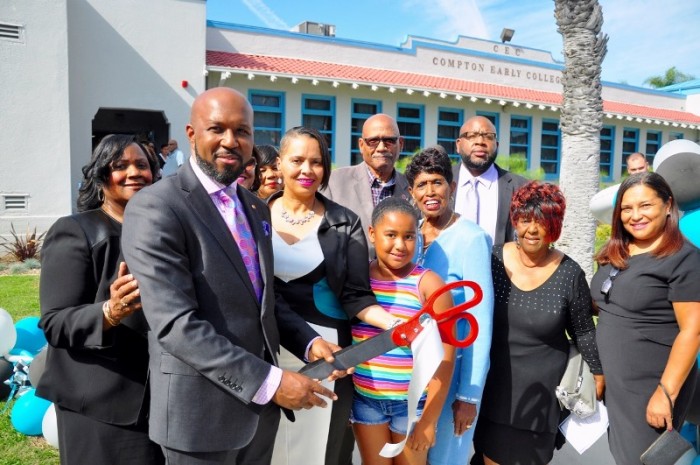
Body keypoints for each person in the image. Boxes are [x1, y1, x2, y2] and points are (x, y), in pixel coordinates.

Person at [121, 87, 346, 465]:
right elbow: (175, 325)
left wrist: (309, 342)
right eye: (217, 129)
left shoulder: (256, 207)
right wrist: (270, 382)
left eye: (242, 131)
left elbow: (264, 298)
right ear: (192, 134)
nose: (230, 141)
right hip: (199, 421)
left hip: (258, 420)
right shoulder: (157, 207)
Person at [268, 126, 396, 465]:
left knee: (318, 451)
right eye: (297, 160)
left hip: (326, 354)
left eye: (316, 162)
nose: (307, 170)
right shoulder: (252, 215)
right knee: (269, 449)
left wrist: (395, 323)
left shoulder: (344, 222)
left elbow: (356, 295)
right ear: (279, 163)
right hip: (262, 350)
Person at [37, 134, 163, 465]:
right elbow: (54, 322)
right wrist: (110, 311)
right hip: (100, 406)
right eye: (120, 165)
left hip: (159, 401)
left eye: (142, 165)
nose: (134, 172)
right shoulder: (76, 232)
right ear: (100, 176)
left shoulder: (163, 234)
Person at [472, 181, 604, 465]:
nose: (532, 229)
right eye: (525, 219)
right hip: (492, 389)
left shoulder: (570, 273)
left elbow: (583, 330)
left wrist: (598, 375)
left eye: (542, 221)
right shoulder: (492, 258)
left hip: (542, 397)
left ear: (554, 225)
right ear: (515, 221)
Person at [591, 172, 700, 465]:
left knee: (645, 459)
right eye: (626, 208)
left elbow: (693, 331)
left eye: (645, 206)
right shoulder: (621, 251)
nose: (635, 216)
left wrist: (665, 393)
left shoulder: (684, 259)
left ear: (668, 206)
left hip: (651, 386)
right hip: (618, 385)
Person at [404, 146, 494, 465]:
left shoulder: (471, 238)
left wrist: (468, 397)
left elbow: (479, 325)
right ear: (411, 192)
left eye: (437, 182)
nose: (430, 192)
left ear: (452, 187)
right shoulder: (409, 238)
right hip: (409, 381)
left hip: (452, 381)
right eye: (422, 185)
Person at [351, 197, 456, 465]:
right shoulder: (358, 280)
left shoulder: (428, 284)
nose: (400, 245)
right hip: (367, 400)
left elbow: (445, 358)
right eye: (391, 235)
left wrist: (429, 420)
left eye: (409, 236)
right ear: (372, 234)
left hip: (412, 407)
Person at [322, 113, 411, 256]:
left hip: (397, 277)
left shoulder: (413, 188)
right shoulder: (333, 183)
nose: (381, 147)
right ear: (361, 145)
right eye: (373, 141)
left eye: (389, 140)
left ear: (400, 144)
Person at [453, 115, 528, 245]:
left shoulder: (520, 187)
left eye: (488, 136)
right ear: (458, 145)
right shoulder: (441, 181)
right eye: (471, 136)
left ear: (496, 145)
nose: (480, 141)